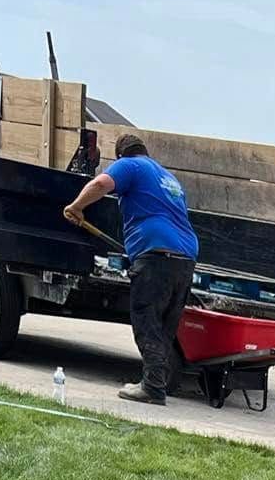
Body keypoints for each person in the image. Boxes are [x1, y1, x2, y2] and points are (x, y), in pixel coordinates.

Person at [63, 134, 199, 405]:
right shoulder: (168, 178)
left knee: (145, 320)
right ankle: (158, 383)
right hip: (185, 257)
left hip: (156, 254)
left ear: (121, 155)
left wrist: (77, 206)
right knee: (164, 327)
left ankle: (152, 388)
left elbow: (101, 182)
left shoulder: (131, 166)